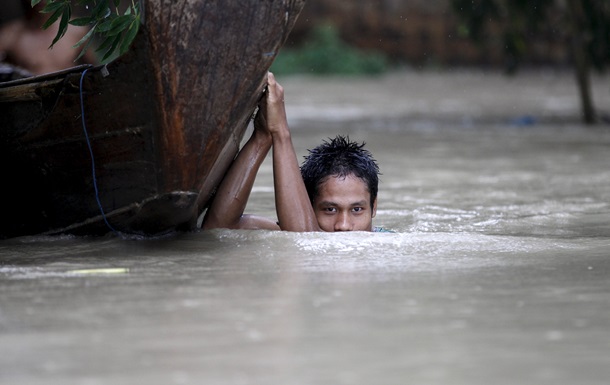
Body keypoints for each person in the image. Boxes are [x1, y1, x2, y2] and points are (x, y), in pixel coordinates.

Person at [202, 72, 385, 232]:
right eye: (330, 209)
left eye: (356, 210)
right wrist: (262, 137)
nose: (343, 226)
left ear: (373, 207)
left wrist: (281, 132)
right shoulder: (292, 228)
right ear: (307, 206)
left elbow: (305, 239)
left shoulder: (387, 245)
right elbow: (218, 228)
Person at [0, 0, 94, 75]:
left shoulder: (76, 31)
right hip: (29, 96)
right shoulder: (9, 37)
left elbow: (94, 69)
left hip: (70, 96)